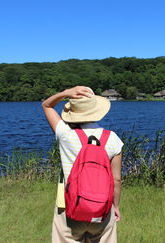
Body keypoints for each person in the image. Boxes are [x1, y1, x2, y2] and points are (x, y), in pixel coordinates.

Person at [42, 86, 123, 243]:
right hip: (103, 209)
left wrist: (66, 93)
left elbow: (46, 105)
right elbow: (117, 179)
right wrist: (116, 206)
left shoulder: (65, 134)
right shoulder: (113, 139)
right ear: (96, 111)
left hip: (68, 207)